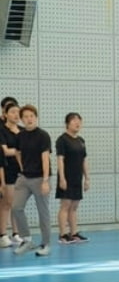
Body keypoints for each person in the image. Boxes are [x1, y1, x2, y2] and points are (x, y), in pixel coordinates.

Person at [11, 105, 52, 256]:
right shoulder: (20, 136)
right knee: (16, 207)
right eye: (26, 116)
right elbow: (17, 152)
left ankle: (46, 244)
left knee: (43, 212)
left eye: (31, 116)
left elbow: (45, 158)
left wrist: (46, 180)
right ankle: (27, 239)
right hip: (24, 178)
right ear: (22, 119)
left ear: (36, 117)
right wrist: (23, 168)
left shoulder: (43, 135)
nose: (29, 119)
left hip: (40, 178)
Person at [55, 112, 90, 244]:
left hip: (77, 177)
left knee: (74, 206)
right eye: (74, 121)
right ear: (67, 124)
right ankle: (63, 234)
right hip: (66, 177)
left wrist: (87, 178)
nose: (77, 123)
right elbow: (60, 160)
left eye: (79, 120)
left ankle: (74, 232)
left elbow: (84, 160)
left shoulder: (81, 141)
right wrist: (62, 178)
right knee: (65, 205)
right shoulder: (62, 140)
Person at [0, 101, 22, 248]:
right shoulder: (2, 130)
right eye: (12, 111)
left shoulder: (22, 131)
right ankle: (3, 234)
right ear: (5, 114)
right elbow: (5, 151)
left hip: (21, 171)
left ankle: (16, 233)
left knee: (17, 204)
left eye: (17, 112)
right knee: (6, 203)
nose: (16, 114)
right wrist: (19, 151)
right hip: (7, 170)